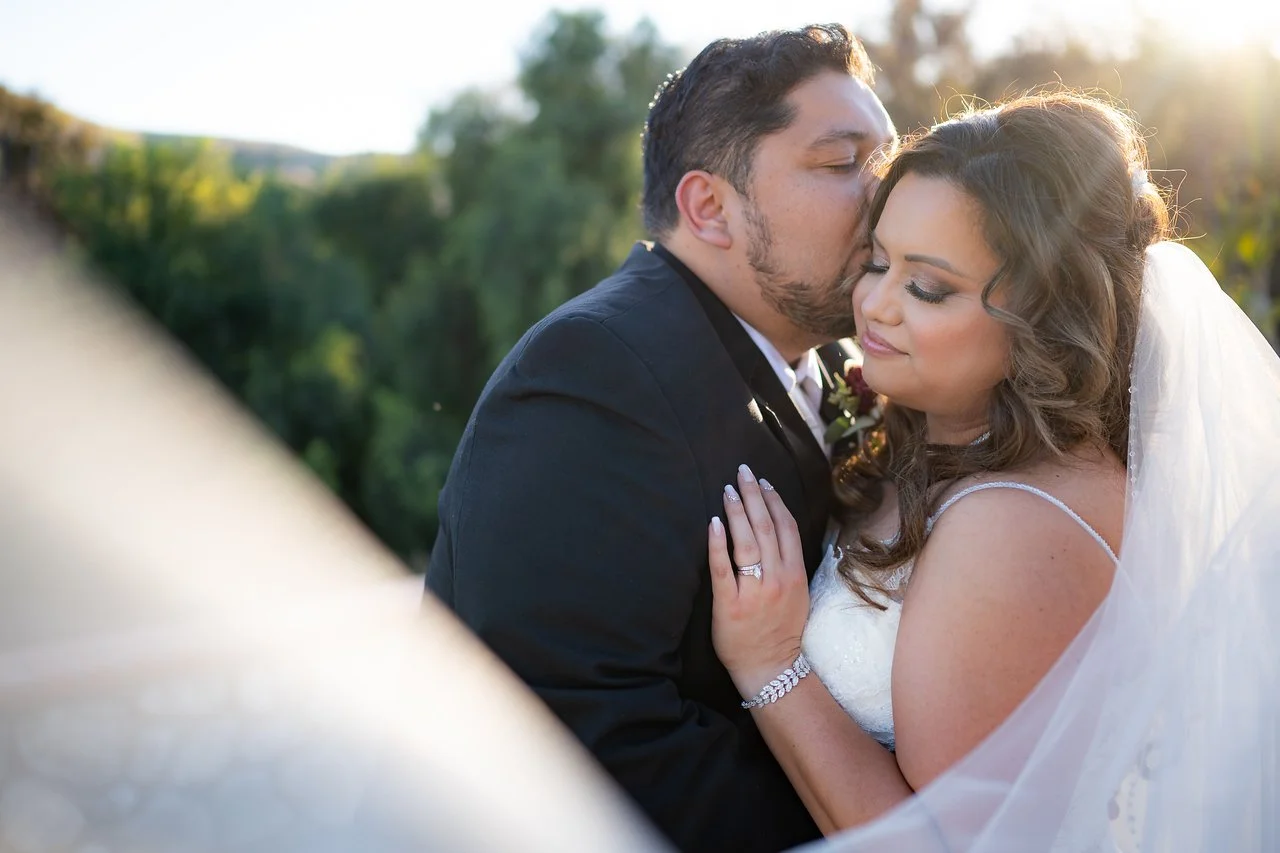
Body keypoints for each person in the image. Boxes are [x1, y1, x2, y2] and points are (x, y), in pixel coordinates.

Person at [705, 90, 1280, 851]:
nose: (874, 304)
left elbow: (944, 843)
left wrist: (771, 666)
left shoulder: (1010, 525)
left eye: (928, 286)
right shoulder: (944, 445)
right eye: (877, 261)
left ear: (1041, 317)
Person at [425, 23, 895, 853]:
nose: (884, 196)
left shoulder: (841, 364)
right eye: (840, 162)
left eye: (886, 162)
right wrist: (870, 829)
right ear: (709, 207)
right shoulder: (591, 372)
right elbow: (576, 736)